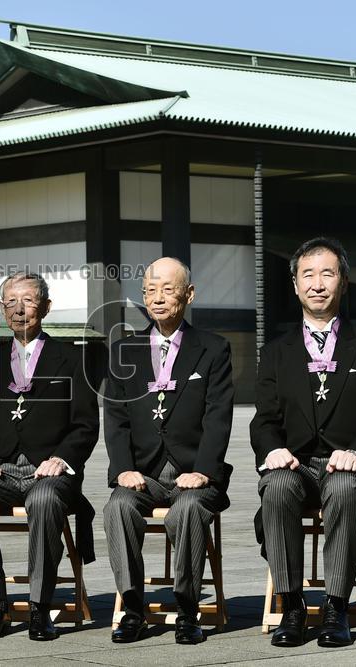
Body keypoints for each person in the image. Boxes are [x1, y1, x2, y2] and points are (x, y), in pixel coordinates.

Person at [250, 237, 356, 648]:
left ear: (344, 283)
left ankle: (336, 607)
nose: (317, 284)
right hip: (296, 464)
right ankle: (292, 605)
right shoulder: (275, 352)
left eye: (327, 274)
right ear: (295, 285)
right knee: (276, 484)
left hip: (348, 465)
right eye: (308, 275)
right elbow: (263, 419)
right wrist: (272, 450)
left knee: (346, 487)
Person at [0, 271, 99, 641]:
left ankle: (40, 607)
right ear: (1, 308)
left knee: (44, 499)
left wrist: (61, 459)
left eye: (28, 301)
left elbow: (86, 424)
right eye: (10, 301)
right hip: (1, 469)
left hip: (50, 470)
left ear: (46, 307)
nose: (19, 309)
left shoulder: (72, 358)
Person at [103, 257, 234, 645]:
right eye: (150, 290)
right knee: (118, 507)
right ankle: (132, 607)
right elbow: (116, 417)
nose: (157, 298)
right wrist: (123, 468)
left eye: (168, 289)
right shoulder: (123, 349)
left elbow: (218, 416)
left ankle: (188, 609)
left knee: (189, 508)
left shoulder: (213, 349)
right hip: (143, 472)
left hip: (194, 471)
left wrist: (205, 470)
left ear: (188, 295)